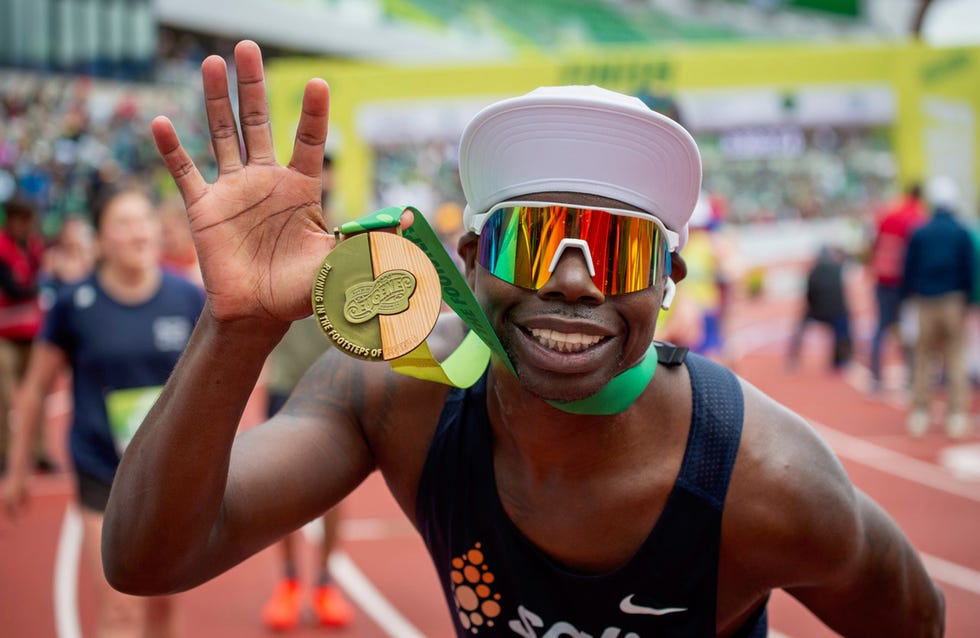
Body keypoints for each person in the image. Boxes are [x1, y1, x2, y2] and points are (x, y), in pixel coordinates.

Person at [103, 41, 944, 637]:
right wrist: (236, 327)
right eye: (532, 241)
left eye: (617, 250)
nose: (572, 280)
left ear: (668, 281)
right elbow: (149, 557)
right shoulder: (398, 402)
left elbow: (915, 621)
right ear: (469, 259)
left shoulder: (769, 483)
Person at [4, 188, 205, 637]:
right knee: (120, 612)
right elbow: (36, 389)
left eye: (143, 220)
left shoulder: (187, 298)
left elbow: (209, 389)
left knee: (162, 608)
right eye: (123, 222)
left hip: (168, 477)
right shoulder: (75, 304)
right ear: (100, 239)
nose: (137, 232)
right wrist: (17, 472)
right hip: (102, 474)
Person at [260, 152, 354, 631]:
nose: (324, 182)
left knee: (335, 494)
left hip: (335, 380)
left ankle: (324, 582)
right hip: (285, 381)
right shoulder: (276, 238)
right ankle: (290, 580)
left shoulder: (351, 237)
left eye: (328, 173)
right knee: (281, 494)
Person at [901, 176, 976, 438]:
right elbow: (970, 270)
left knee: (923, 358)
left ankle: (920, 413)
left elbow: (908, 269)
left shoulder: (920, 232)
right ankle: (956, 414)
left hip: (925, 300)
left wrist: (907, 298)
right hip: (953, 300)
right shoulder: (961, 231)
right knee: (955, 357)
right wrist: (968, 301)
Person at [0, 197, 53, 474]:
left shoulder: (33, 246)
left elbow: (42, 275)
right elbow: (13, 289)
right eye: (19, 220)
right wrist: (42, 288)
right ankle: (5, 455)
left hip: (32, 333)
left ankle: (40, 452)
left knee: (38, 393)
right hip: (4, 335)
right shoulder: (2, 247)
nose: (24, 225)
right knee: (4, 396)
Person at [867, 183, 926, 393]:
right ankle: (910, 379)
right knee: (908, 331)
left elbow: (874, 245)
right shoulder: (917, 218)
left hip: (882, 280)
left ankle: (874, 378)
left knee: (881, 328)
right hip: (902, 284)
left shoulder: (888, 214)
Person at [787, 245, 853, 372]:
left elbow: (809, 295)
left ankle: (793, 359)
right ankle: (841, 360)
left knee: (800, 326)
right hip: (837, 313)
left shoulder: (813, 271)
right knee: (844, 328)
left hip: (817, 311)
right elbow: (843, 295)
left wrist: (811, 308)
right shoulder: (838, 270)